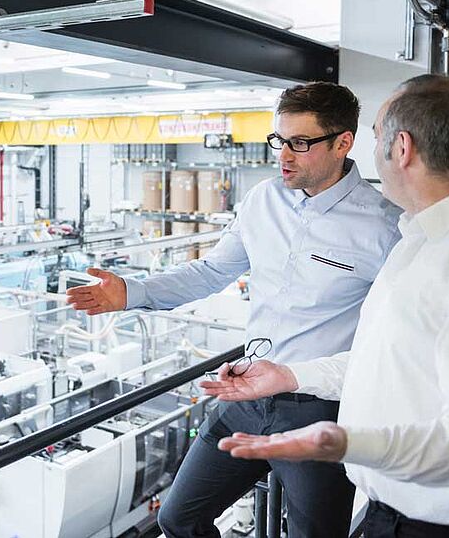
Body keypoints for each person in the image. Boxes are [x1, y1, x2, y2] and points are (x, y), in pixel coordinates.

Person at [204, 74, 449, 537]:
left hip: (444, 530)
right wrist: (291, 375)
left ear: (402, 148)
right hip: (396, 515)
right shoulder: (422, 243)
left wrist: (344, 442)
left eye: (376, 136)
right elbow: (386, 361)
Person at [67, 82, 402, 538]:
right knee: (178, 519)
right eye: (279, 140)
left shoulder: (384, 225)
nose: (284, 155)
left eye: (300, 143)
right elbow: (209, 272)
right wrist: (133, 292)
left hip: (319, 409)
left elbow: (393, 339)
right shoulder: (262, 200)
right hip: (246, 395)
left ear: (343, 142)